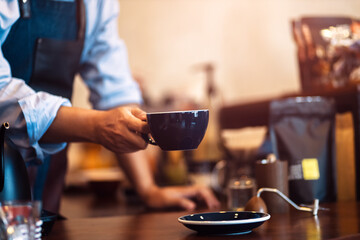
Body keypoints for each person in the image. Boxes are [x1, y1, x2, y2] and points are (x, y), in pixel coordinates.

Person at [0, 0, 220, 214]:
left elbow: (115, 92)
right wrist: (95, 127)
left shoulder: (97, 3)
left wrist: (148, 189)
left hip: (47, 177)